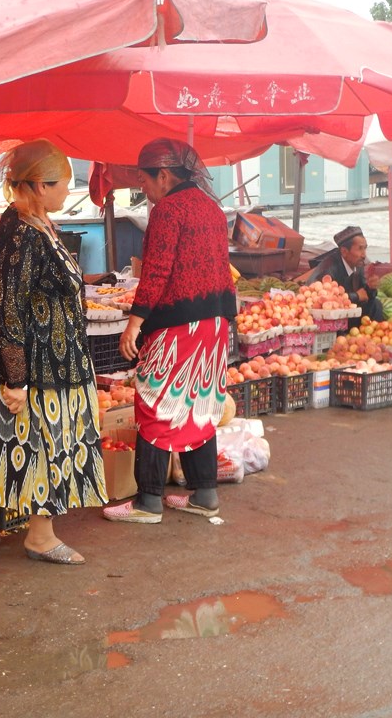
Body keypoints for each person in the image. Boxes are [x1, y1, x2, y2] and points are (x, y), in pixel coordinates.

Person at [0, 139, 107, 565]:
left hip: (54, 358)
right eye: (64, 184)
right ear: (40, 185)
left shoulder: (35, 222)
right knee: (49, 446)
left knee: (4, 438)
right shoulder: (21, 231)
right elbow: (6, 306)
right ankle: (40, 536)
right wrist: (16, 378)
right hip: (41, 368)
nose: (68, 192)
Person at [101, 138, 237, 525]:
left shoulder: (168, 210)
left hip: (179, 324)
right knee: (199, 401)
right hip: (214, 322)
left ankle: (148, 501)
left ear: (163, 174)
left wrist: (135, 322)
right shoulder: (211, 207)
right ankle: (204, 494)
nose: (142, 189)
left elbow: (156, 271)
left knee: (156, 401)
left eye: (144, 180)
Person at [306, 226, 384, 324]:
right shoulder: (328, 269)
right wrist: (356, 296)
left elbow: (364, 294)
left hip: (347, 311)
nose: (364, 255)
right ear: (344, 251)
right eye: (360, 249)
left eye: (365, 248)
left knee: (376, 305)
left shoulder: (358, 263)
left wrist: (370, 288)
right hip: (326, 319)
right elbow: (325, 301)